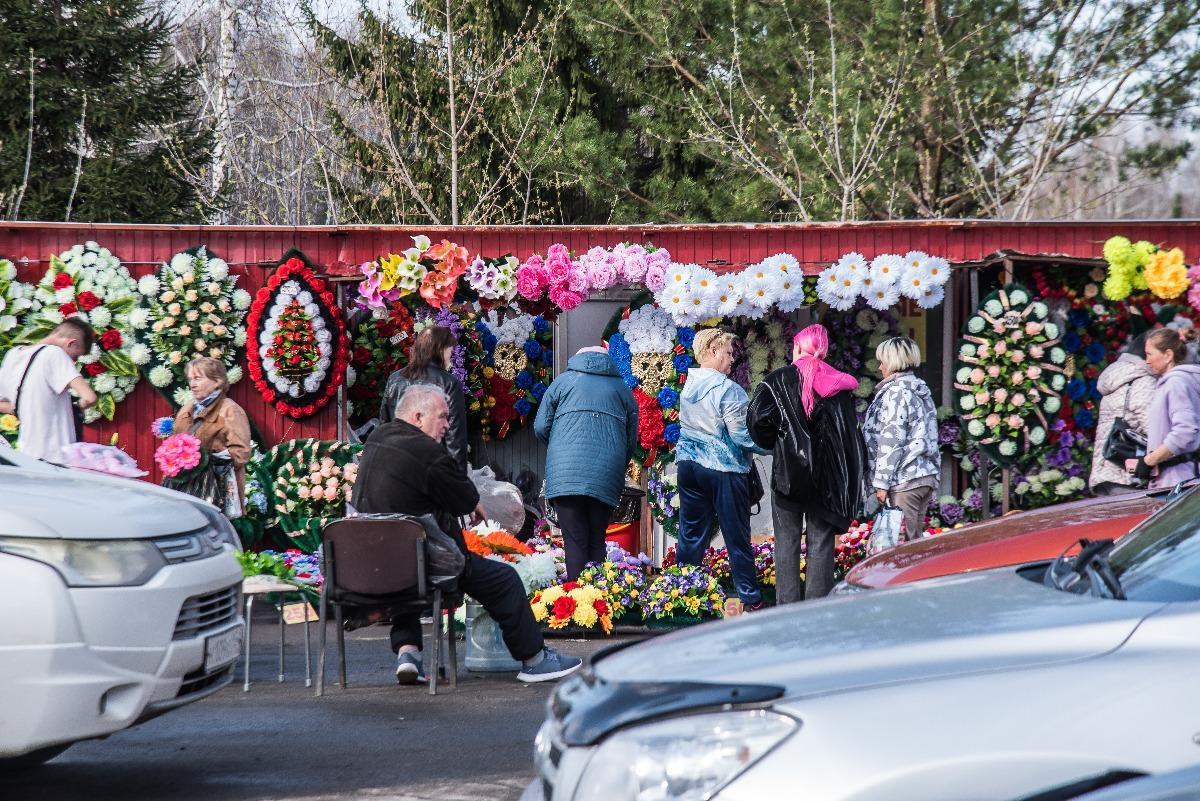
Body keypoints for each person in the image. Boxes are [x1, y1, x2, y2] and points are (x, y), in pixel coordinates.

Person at [353, 385, 581, 685]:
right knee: (505, 581)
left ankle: (408, 654)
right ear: (418, 416)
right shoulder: (429, 452)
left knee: (406, 568)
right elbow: (462, 499)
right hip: (432, 561)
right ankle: (535, 660)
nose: (448, 424)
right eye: (443, 416)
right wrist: (474, 502)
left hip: (371, 564)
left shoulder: (377, 440)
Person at [748, 324, 866, 602]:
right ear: (823, 351)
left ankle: (786, 609)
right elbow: (850, 436)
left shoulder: (777, 380)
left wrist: (777, 443)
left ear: (798, 348)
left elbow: (757, 421)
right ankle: (816, 610)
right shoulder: (840, 385)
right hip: (828, 479)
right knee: (821, 545)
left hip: (789, 475)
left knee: (786, 543)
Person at [675, 329, 768, 611]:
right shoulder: (729, 389)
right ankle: (750, 596)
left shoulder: (688, 386)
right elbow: (740, 436)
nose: (731, 359)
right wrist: (773, 446)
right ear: (713, 352)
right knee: (736, 535)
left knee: (691, 533)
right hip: (723, 467)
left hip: (688, 466)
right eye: (728, 352)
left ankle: (682, 591)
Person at [534, 346, 638, 580]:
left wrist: (560, 448)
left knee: (575, 540)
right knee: (596, 538)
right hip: (606, 471)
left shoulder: (562, 382)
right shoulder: (622, 389)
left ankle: (579, 605)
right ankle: (597, 601)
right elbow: (631, 440)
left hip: (566, 471)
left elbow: (541, 427)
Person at [861, 336, 940, 541]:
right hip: (922, 476)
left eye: (883, 361)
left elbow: (891, 440)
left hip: (904, 479)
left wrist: (881, 483)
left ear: (893, 362)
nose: (879, 367)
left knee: (902, 546)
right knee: (914, 539)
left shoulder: (896, 392)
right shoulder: (919, 389)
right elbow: (931, 434)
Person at [0, 319, 97, 461]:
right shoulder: (55, 353)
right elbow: (89, 397)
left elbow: (7, 406)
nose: (74, 361)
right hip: (57, 455)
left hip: (27, 454)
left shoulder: (12, 355)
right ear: (71, 343)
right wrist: (79, 405)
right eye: (76, 356)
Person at [379, 326, 468, 473]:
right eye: (449, 350)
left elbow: (384, 426)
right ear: (439, 349)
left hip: (397, 467)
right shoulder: (449, 382)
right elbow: (454, 440)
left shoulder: (395, 379)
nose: (450, 355)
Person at [173, 357, 253, 507]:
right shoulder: (187, 409)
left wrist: (205, 464)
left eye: (198, 378)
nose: (192, 385)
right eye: (190, 379)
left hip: (217, 492)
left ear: (217, 381)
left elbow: (241, 453)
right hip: (184, 489)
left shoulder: (230, 410)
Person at [1129, 329, 1200, 489]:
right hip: (1174, 479)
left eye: (1149, 354)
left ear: (1168, 355)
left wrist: (1148, 461)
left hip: (1179, 480)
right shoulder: (1173, 382)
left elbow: (1185, 431)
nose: (1146, 361)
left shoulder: (1176, 383)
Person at [1089, 333, 1156, 495]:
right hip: (1126, 476)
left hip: (1104, 471)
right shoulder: (1144, 381)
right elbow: (1154, 430)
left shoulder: (1116, 377)